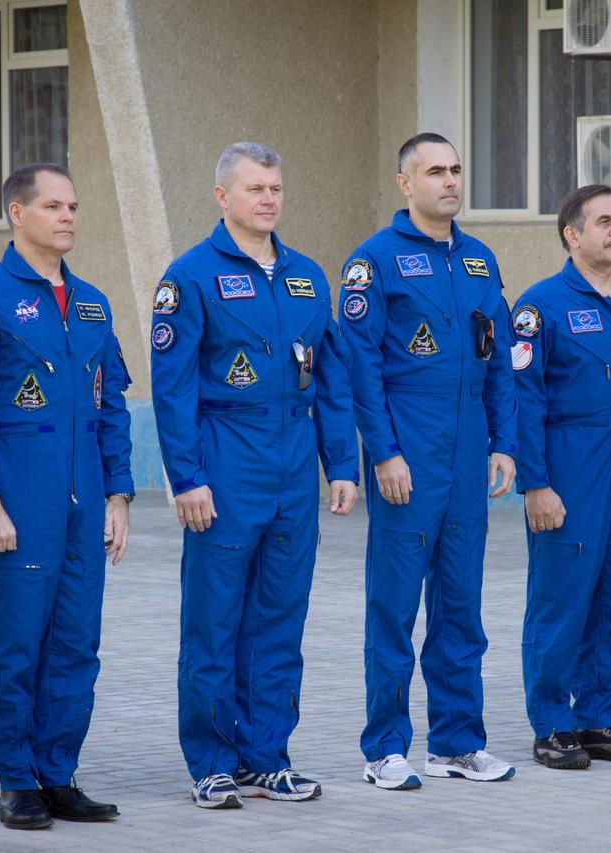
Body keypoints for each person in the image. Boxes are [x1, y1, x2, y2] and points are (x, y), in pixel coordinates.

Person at [151, 142, 359, 809]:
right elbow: (173, 388)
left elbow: (329, 377)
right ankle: (211, 760)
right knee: (214, 624)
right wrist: (186, 477)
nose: (268, 199)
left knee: (278, 623)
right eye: (254, 189)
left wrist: (342, 465)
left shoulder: (305, 276)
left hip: (293, 472)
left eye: (275, 187)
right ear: (222, 197)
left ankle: (266, 756)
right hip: (225, 467)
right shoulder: (191, 277)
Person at [0, 164, 134, 829]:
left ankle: (58, 772)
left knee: (76, 643)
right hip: (20, 504)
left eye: (73, 205)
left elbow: (113, 407)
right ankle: (17, 778)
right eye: (53, 205)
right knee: (15, 643)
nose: (68, 216)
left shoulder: (91, 304)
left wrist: (120, 493)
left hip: (84, 503)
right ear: (17, 214)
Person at [340, 133, 518, 790]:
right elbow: (361, 368)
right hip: (408, 451)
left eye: (456, 169)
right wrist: (382, 452)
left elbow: (495, 360)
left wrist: (504, 443)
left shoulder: (479, 260)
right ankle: (385, 746)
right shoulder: (374, 262)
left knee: (461, 608)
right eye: (434, 171)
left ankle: (457, 742)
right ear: (404, 183)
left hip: (469, 450)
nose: (449, 181)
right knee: (394, 607)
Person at [510, 185, 611, 770]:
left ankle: (601, 719)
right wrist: (535, 483)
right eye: (604, 221)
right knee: (561, 603)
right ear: (572, 235)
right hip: (569, 476)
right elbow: (521, 401)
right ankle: (553, 724)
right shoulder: (540, 306)